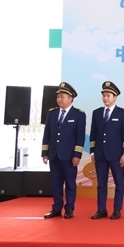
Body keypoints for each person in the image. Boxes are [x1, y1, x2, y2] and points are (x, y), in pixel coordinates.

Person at [41, 82, 86, 219]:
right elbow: (47, 134)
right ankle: (56, 208)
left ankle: (69, 208)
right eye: (58, 97)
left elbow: (80, 137)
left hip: (69, 156)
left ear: (71, 98)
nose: (59, 99)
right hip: (54, 155)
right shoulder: (52, 113)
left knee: (70, 184)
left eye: (62, 97)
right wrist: (45, 152)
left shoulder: (79, 115)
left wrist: (77, 155)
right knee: (56, 184)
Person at [89, 81, 124, 220]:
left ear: (115, 97)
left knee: (119, 183)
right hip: (100, 154)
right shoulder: (96, 113)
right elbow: (93, 134)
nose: (105, 98)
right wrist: (92, 152)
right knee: (101, 184)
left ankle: (117, 209)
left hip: (116, 155)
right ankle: (101, 209)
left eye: (108, 95)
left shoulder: (123, 114)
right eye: (104, 95)